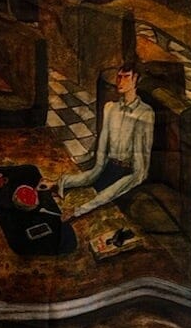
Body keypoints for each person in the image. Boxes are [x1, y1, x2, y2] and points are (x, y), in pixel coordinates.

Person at [55, 64, 154, 218]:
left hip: (127, 176)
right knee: (62, 196)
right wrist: (61, 182)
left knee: (90, 209)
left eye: (126, 77)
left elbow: (139, 173)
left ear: (135, 79)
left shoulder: (145, 114)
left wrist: (81, 209)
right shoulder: (110, 108)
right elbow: (100, 159)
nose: (120, 81)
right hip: (108, 167)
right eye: (119, 77)